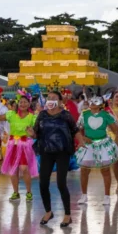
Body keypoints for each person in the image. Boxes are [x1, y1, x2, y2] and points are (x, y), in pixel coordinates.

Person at [34, 91, 77, 227]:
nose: (50, 99)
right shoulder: (42, 115)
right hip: (46, 151)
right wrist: (31, 133)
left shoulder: (66, 115)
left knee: (61, 183)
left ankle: (67, 215)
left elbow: (74, 130)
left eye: (54, 98)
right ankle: (48, 212)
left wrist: (81, 142)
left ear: (59, 101)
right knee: (43, 183)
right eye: (49, 97)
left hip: (62, 151)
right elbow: (36, 132)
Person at [75, 97, 118, 206]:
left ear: (101, 104)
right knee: (84, 170)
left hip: (103, 144)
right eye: (91, 101)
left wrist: (117, 142)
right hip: (88, 145)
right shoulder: (84, 114)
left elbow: (115, 130)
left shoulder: (106, 115)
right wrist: (82, 138)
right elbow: (78, 129)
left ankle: (107, 196)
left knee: (105, 170)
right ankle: (84, 195)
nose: (92, 103)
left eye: (95, 101)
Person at [0, 92, 38, 202]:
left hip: (25, 145)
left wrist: (32, 134)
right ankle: (15, 193)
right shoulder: (11, 114)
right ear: (17, 103)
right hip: (13, 145)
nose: (23, 104)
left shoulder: (32, 117)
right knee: (13, 169)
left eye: (25, 102)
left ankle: (29, 192)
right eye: (21, 102)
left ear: (29, 104)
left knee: (24, 168)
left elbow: (35, 133)